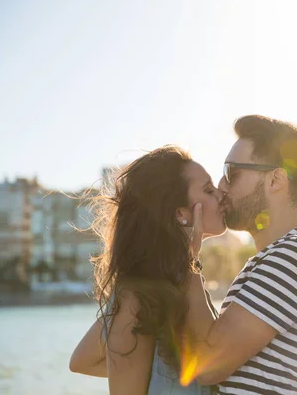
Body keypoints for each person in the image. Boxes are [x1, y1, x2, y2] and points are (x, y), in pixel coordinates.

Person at [185, 115, 297, 394]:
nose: (220, 185)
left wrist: (189, 261)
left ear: (276, 180)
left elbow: (207, 365)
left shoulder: (294, 257)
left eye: (232, 173)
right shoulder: (276, 258)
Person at [69, 145, 226, 395]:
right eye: (208, 190)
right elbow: (82, 361)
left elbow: (82, 359)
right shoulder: (136, 295)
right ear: (180, 213)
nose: (221, 195)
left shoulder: (176, 280)